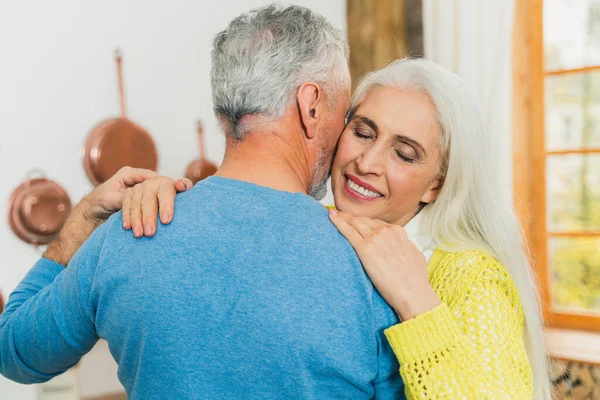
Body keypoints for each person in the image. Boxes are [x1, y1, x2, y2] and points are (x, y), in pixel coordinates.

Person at [0, 5, 405, 399]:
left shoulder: (128, 231)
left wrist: (84, 216)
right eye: (345, 111)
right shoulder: (372, 267)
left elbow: (14, 352)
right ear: (311, 105)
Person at [103, 58, 553, 399]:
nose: (367, 162)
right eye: (363, 131)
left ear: (436, 184)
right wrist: (178, 195)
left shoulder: (472, 275)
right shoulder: (313, 225)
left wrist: (418, 302)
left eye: (405, 153)